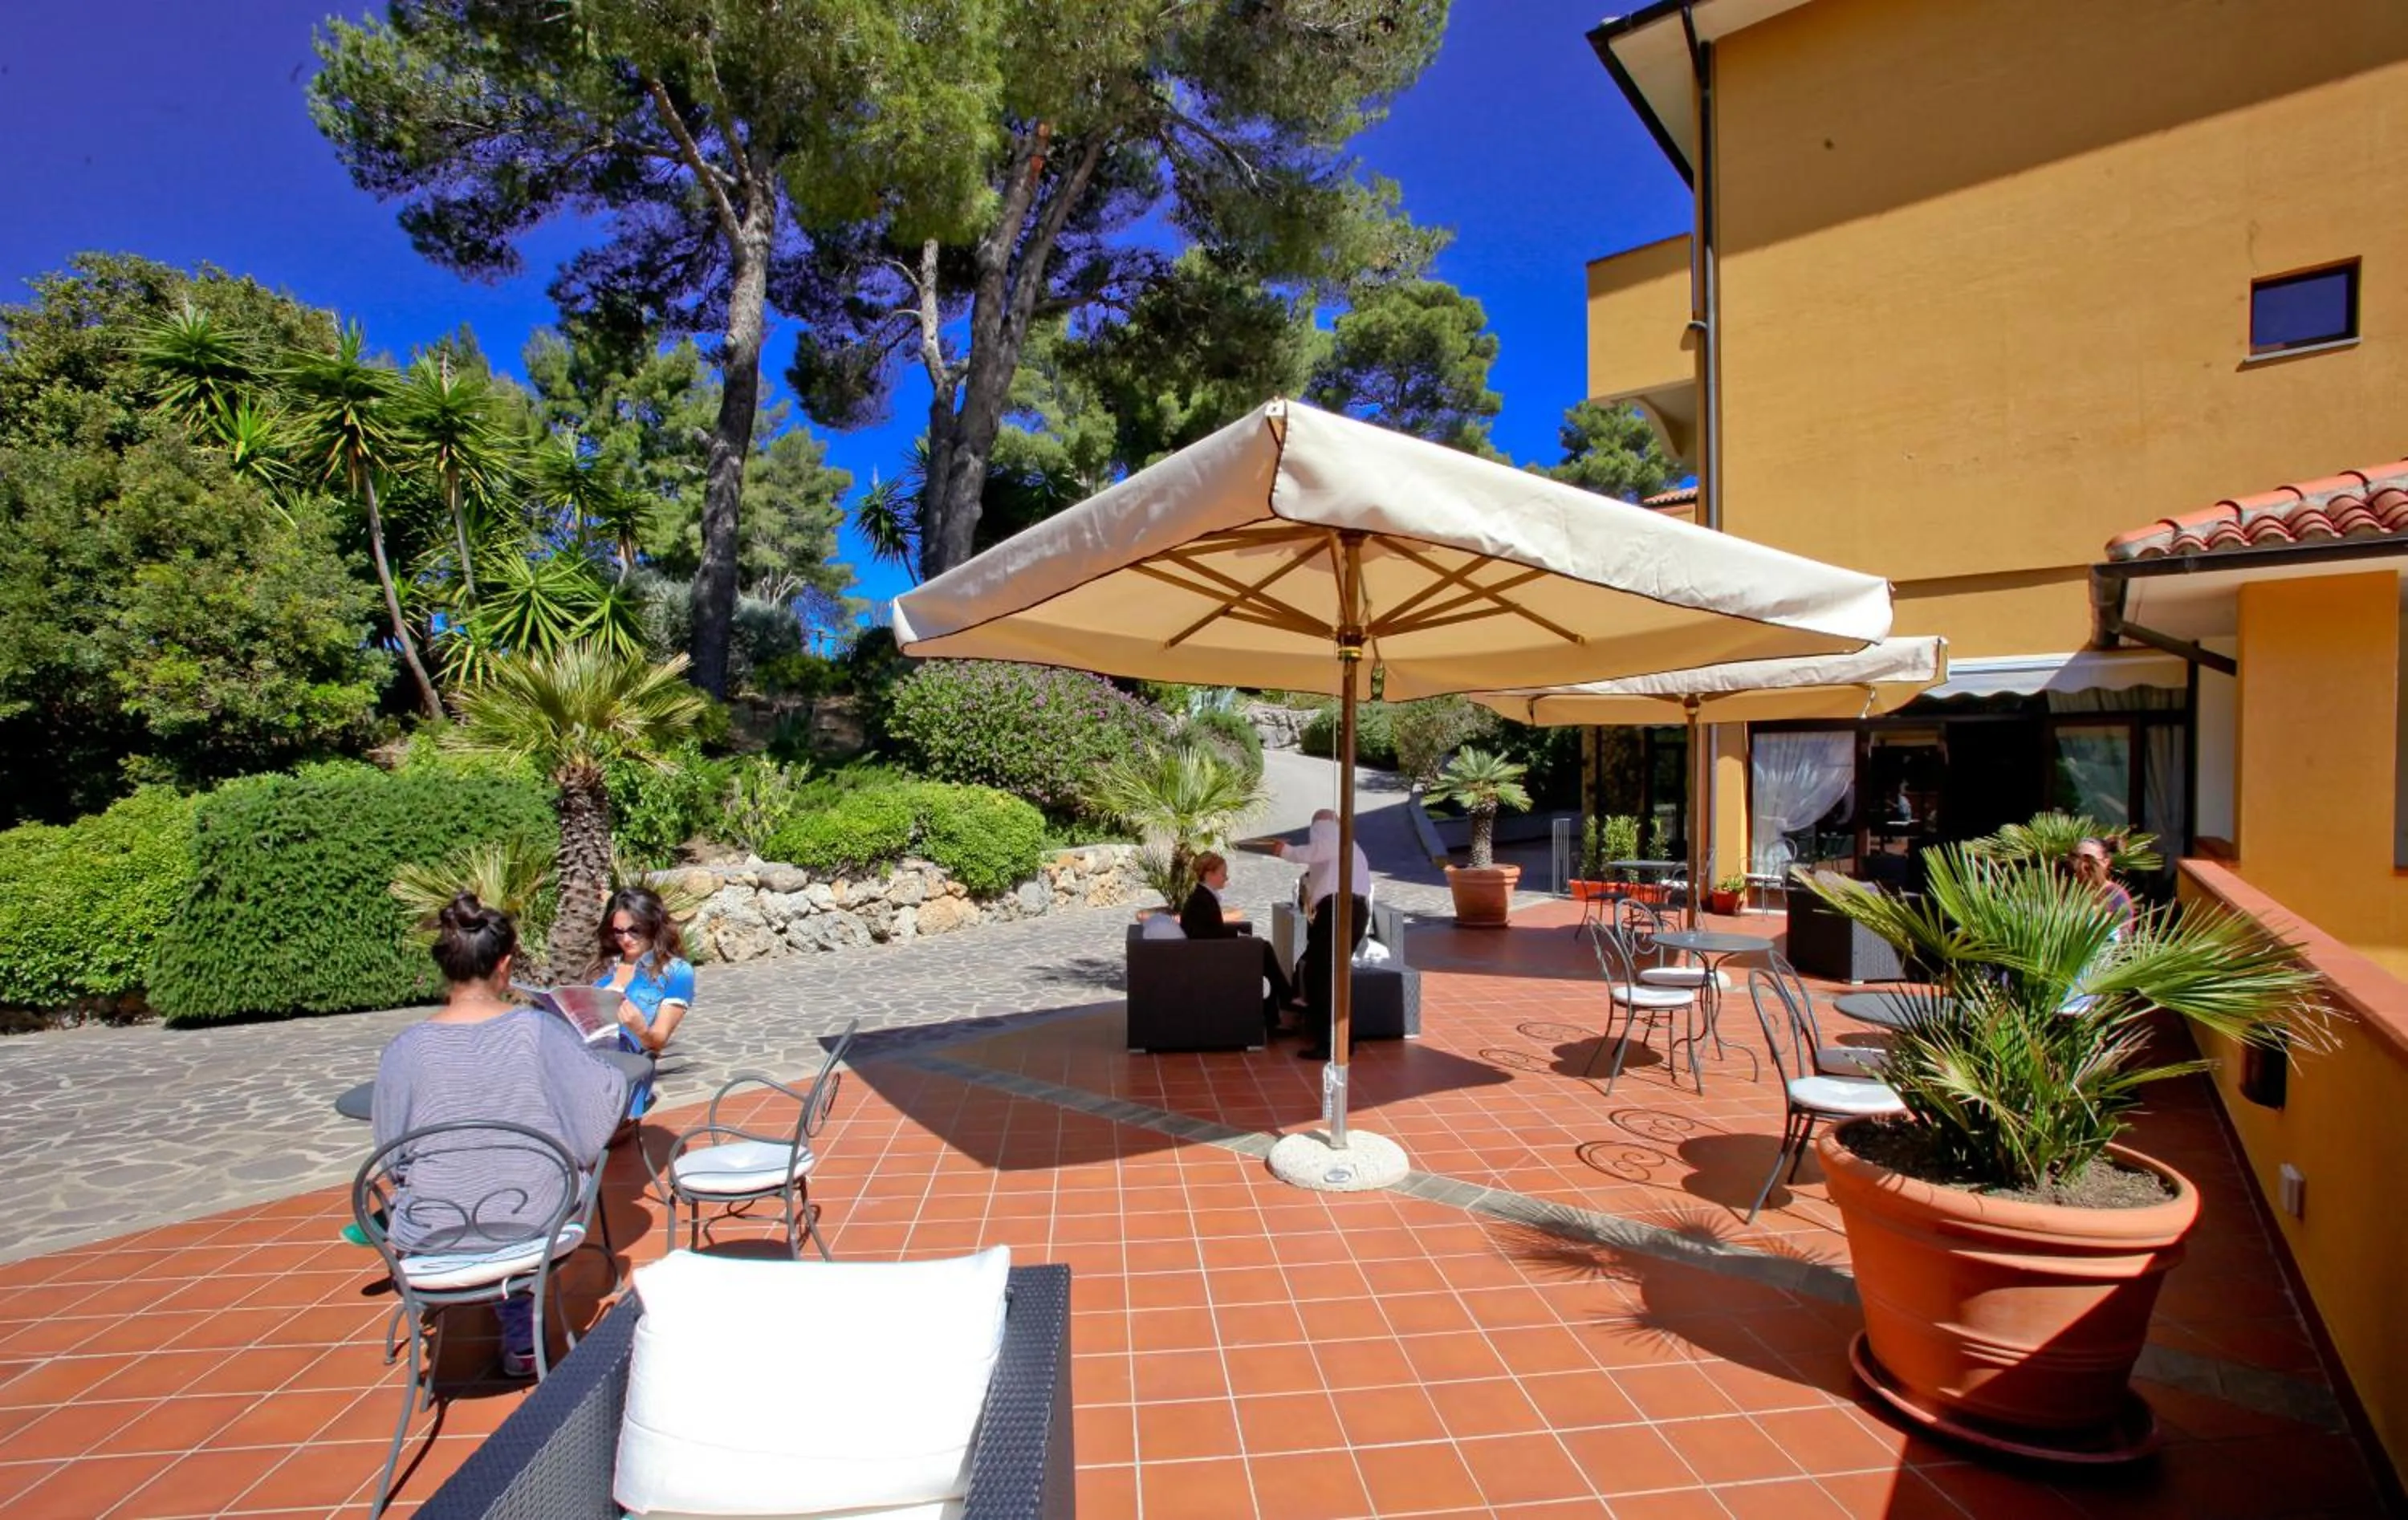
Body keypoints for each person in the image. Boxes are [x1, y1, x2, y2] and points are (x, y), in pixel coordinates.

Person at [372, 895, 626, 1379]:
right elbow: (596, 1116)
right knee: (554, 1168)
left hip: (434, 1230)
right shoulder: (536, 1032)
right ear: (505, 965)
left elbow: (393, 1156)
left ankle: (505, 1317)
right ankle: (519, 1321)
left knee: (437, 1180)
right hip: (534, 1222)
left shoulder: (405, 1051)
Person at [1277, 811, 1372, 1061]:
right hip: (1352, 910)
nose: (1314, 830)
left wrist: (1284, 851)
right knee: (1332, 975)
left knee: (1322, 976)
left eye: (1317, 824)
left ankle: (1329, 1043)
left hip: (1339, 910)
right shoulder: (1350, 846)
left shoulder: (1332, 838)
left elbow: (1314, 851)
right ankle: (1342, 1038)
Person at [595, 886, 695, 1120]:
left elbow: (658, 1042)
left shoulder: (676, 973)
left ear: (653, 925)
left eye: (634, 931)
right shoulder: (606, 966)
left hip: (626, 1074)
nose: (625, 939)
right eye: (618, 932)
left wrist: (639, 1028)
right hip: (591, 1062)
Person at [1178, 850, 1296, 1028]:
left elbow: (1210, 930)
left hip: (1211, 952)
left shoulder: (1203, 896)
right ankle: (1286, 999)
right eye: (1223, 874)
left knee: (1263, 951)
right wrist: (1237, 936)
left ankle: (1278, 1010)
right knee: (1263, 949)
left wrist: (1238, 936)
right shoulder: (1201, 900)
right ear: (1209, 874)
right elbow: (1204, 935)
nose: (1226, 878)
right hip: (1210, 958)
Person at [2070, 837, 2138, 931]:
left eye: (2089, 859)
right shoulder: (2065, 889)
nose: (2082, 865)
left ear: (2105, 862)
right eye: (2075, 858)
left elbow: (2124, 933)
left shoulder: (2116, 895)